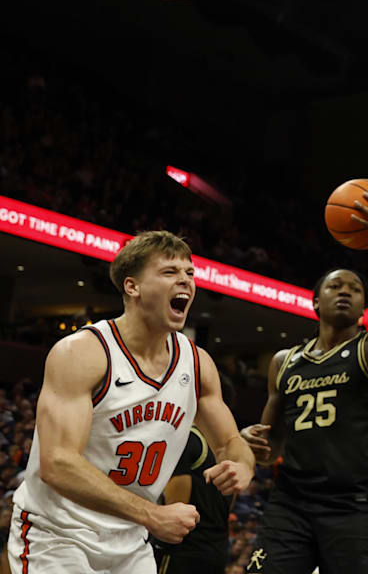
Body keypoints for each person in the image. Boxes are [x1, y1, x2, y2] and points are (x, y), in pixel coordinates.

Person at [6, 231, 254, 573]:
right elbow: (57, 463)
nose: (185, 280)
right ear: (132, 287)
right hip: (59, 533)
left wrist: (242, 464)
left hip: (131, 538)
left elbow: (231, 442)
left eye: (189, 273)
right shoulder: (83, 352)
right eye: (169, 272)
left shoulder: (197, 364)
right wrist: (152, 514)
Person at [241, 186, 368, 574]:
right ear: (315, 301)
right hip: (291, 501)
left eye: (355, 289)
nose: (346, 292)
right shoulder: (285, 361)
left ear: (362, 307)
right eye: (336, 286)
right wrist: (251, 439)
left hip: (352, 505)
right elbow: (268, 446)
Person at [154, 427, 232, 574]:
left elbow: (175, 509)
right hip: (217, 550)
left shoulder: (187, 438)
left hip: (184, 550)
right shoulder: (229, 446)